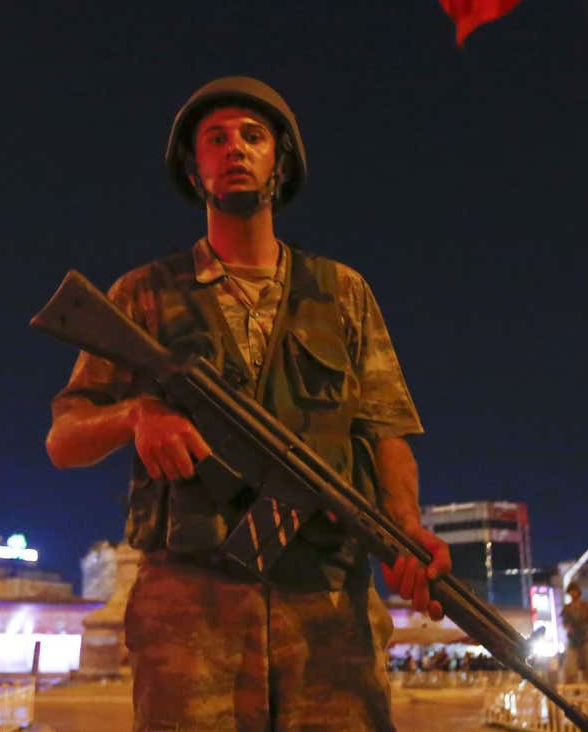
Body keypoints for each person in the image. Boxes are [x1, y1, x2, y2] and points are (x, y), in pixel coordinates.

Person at [46, 76, 450, 731]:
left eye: (253, 136)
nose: (234, 147)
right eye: (216, 139)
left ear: (279, 162)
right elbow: (63, 439)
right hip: (188, 605)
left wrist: (402, 528)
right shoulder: (145, 294)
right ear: (194, 166)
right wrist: (134, 415)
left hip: (327, 602)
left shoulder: (342, 292)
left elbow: (386, 431)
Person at [558, 582, 588, 684]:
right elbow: (564, 623)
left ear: (578, 592)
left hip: (585, 640)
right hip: (573, 642)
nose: (573, 593)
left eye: (575, 591)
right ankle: (573, 692)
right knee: (570, 669)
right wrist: (568, 628)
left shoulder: (586, 607)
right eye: (571, 591)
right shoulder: (567, 609)